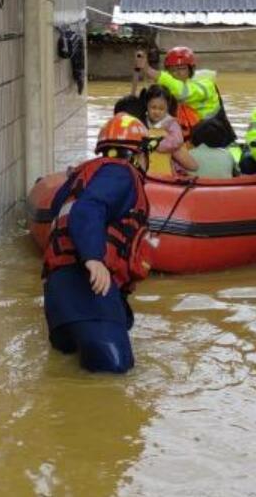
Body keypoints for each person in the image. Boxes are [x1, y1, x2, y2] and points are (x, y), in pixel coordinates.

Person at [41, 113, 156, 373]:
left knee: (68, 375)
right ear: (139, 155)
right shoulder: (121, 174)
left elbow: (60, 216)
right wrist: (93, 259)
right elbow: (86, 210)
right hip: (88, 288)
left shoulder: (79, 178)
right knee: (114, 377)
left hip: (58, 296)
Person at [134, 47, 235, 143]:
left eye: (182, 69)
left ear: (191, 69)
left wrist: (149, 70)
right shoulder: (173, 84)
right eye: (173, 70)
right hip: (190, 133)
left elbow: (183, 93)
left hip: (214, 137)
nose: (177, 73)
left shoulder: (205, 84)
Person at [140, 85, 198, 175]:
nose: (157, 112)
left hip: (170, 164)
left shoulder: (170, 122)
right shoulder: (143, 121)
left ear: (167, 108)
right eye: (153, 107)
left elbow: (177, 140)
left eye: (161, 109)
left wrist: (156, 144)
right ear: (147, 105)